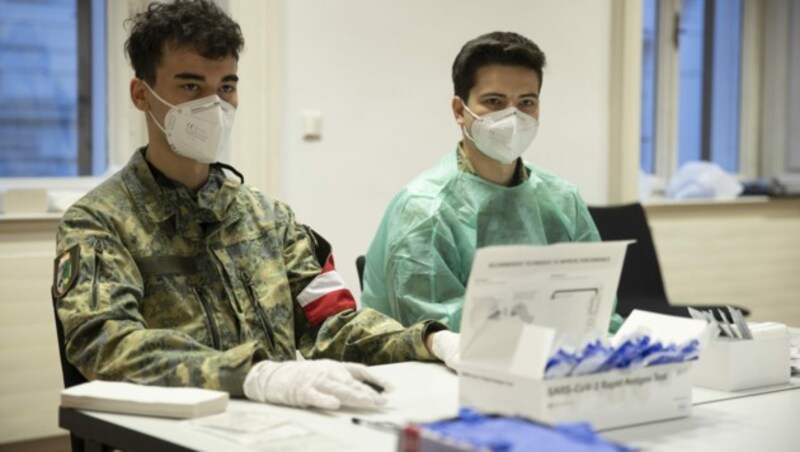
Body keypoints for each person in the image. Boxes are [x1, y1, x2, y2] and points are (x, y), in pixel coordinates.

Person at [52, 0, 458, 411]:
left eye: (226, 87)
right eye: (191, 86)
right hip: (176, 430)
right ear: (142, 94)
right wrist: (253, 374)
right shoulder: (99, 222)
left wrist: (431, 340)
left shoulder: (271, 219)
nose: (214, 106)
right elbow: (106, 345)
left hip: (279, 426)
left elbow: (332, 326)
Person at [361, 31, 623, 333]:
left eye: (526, 102)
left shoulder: (562, 199)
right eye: (494, 101)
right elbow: (429, 331)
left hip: (555, 365)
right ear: (460, 111)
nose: (512, 116)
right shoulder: (424, 211)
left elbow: (597, 309)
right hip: (445, 372)